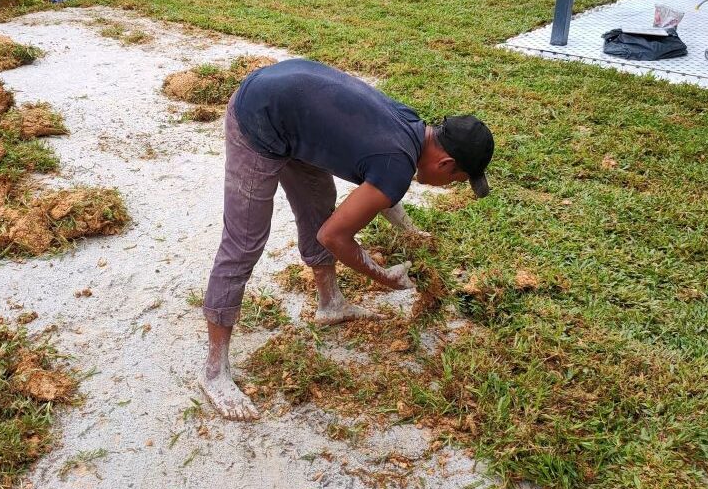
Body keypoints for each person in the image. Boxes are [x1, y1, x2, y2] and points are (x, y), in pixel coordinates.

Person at [199, 58, 494, 420]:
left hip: (291, 107)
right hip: (258, 117)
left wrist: (412, 232)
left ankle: (331, 304)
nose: (452, 185)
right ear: (446, 164)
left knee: (319, 203)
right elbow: (334, 236)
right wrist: (384, 277)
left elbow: (384, 187)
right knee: (245, 241)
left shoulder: (413, 127)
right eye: (458, 180)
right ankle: (215, 371)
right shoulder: (397, 162)